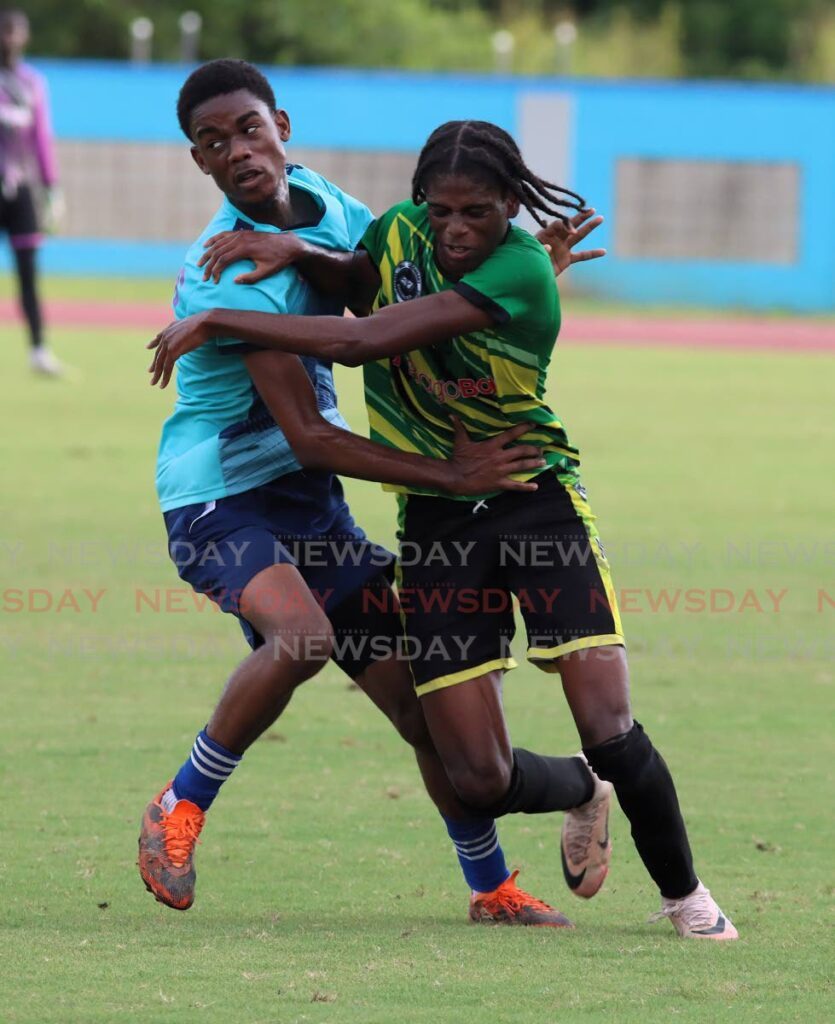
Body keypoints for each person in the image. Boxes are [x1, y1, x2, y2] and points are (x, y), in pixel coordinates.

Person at [150, 118, 739, 941]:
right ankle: (553, 816)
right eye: (443, 213)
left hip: (528, 493)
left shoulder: (518, 264)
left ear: (510, 204)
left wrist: (220, 320)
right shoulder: (388, 229)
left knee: (607, 727)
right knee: (471, 768)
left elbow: (361, 336)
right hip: (423, 519)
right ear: (421, 201)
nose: (457, 231)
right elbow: (364, 277)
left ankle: (686, 898)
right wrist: (303, 259)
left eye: (480, 214)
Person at [0, 9, 62, 374]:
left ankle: (39, 351)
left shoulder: (32, 83)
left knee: (28, 273)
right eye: (5, 31)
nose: (11, 38)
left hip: (20, 190)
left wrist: (52, 189)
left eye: (16, 32)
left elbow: (41, 139)